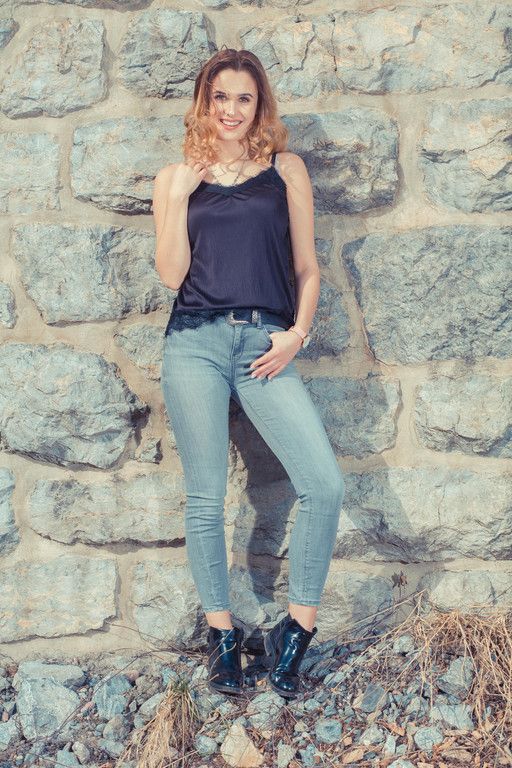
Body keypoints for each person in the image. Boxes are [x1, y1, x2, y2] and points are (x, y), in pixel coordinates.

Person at [152, 47, 345, 699]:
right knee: (205, 497)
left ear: (259, 105)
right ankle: (223, 637)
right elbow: (172, 275)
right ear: (203, 102)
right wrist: (181, 195)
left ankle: (296, 629)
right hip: (194, 346)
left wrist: (296, 335)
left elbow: (307, 268)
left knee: (323, 484)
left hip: (265, 344)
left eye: (244, 98)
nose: (231, 110)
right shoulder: (175, 177)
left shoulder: (285, 170)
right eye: (220, 97)